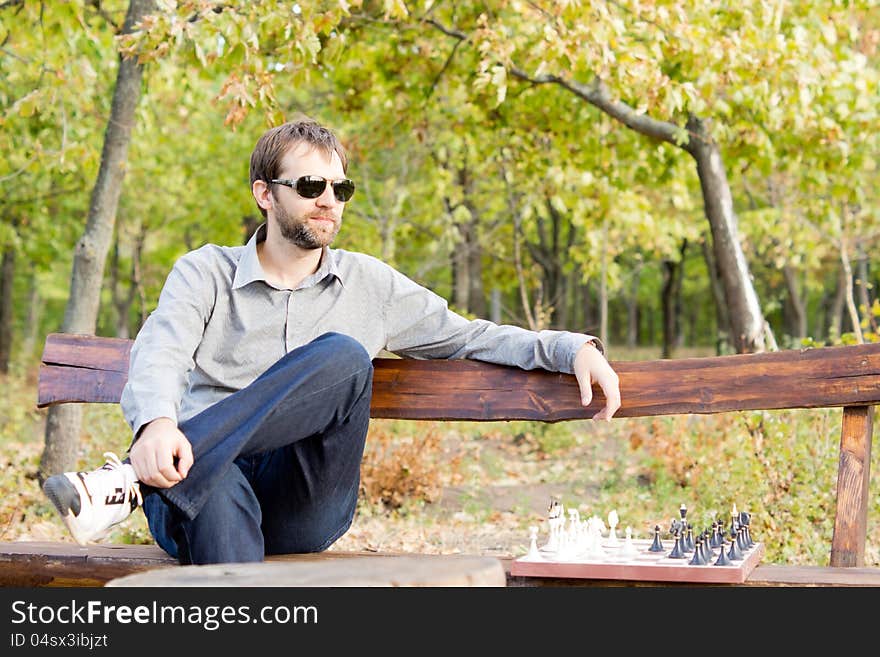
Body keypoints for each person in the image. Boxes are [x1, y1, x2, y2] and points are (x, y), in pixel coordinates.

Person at [42, 118, 621, 564]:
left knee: (344, 355)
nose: (329, 200)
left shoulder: (369, 283)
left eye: (340, 187)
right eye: (312, 185)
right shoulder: (205, 273)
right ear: (264, 194)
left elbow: (468, 336)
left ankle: (124, 485)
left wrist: (570, 348)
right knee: (210, 480)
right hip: (193, 485)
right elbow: (161, 350)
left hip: (303, 501)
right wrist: (155, 426)